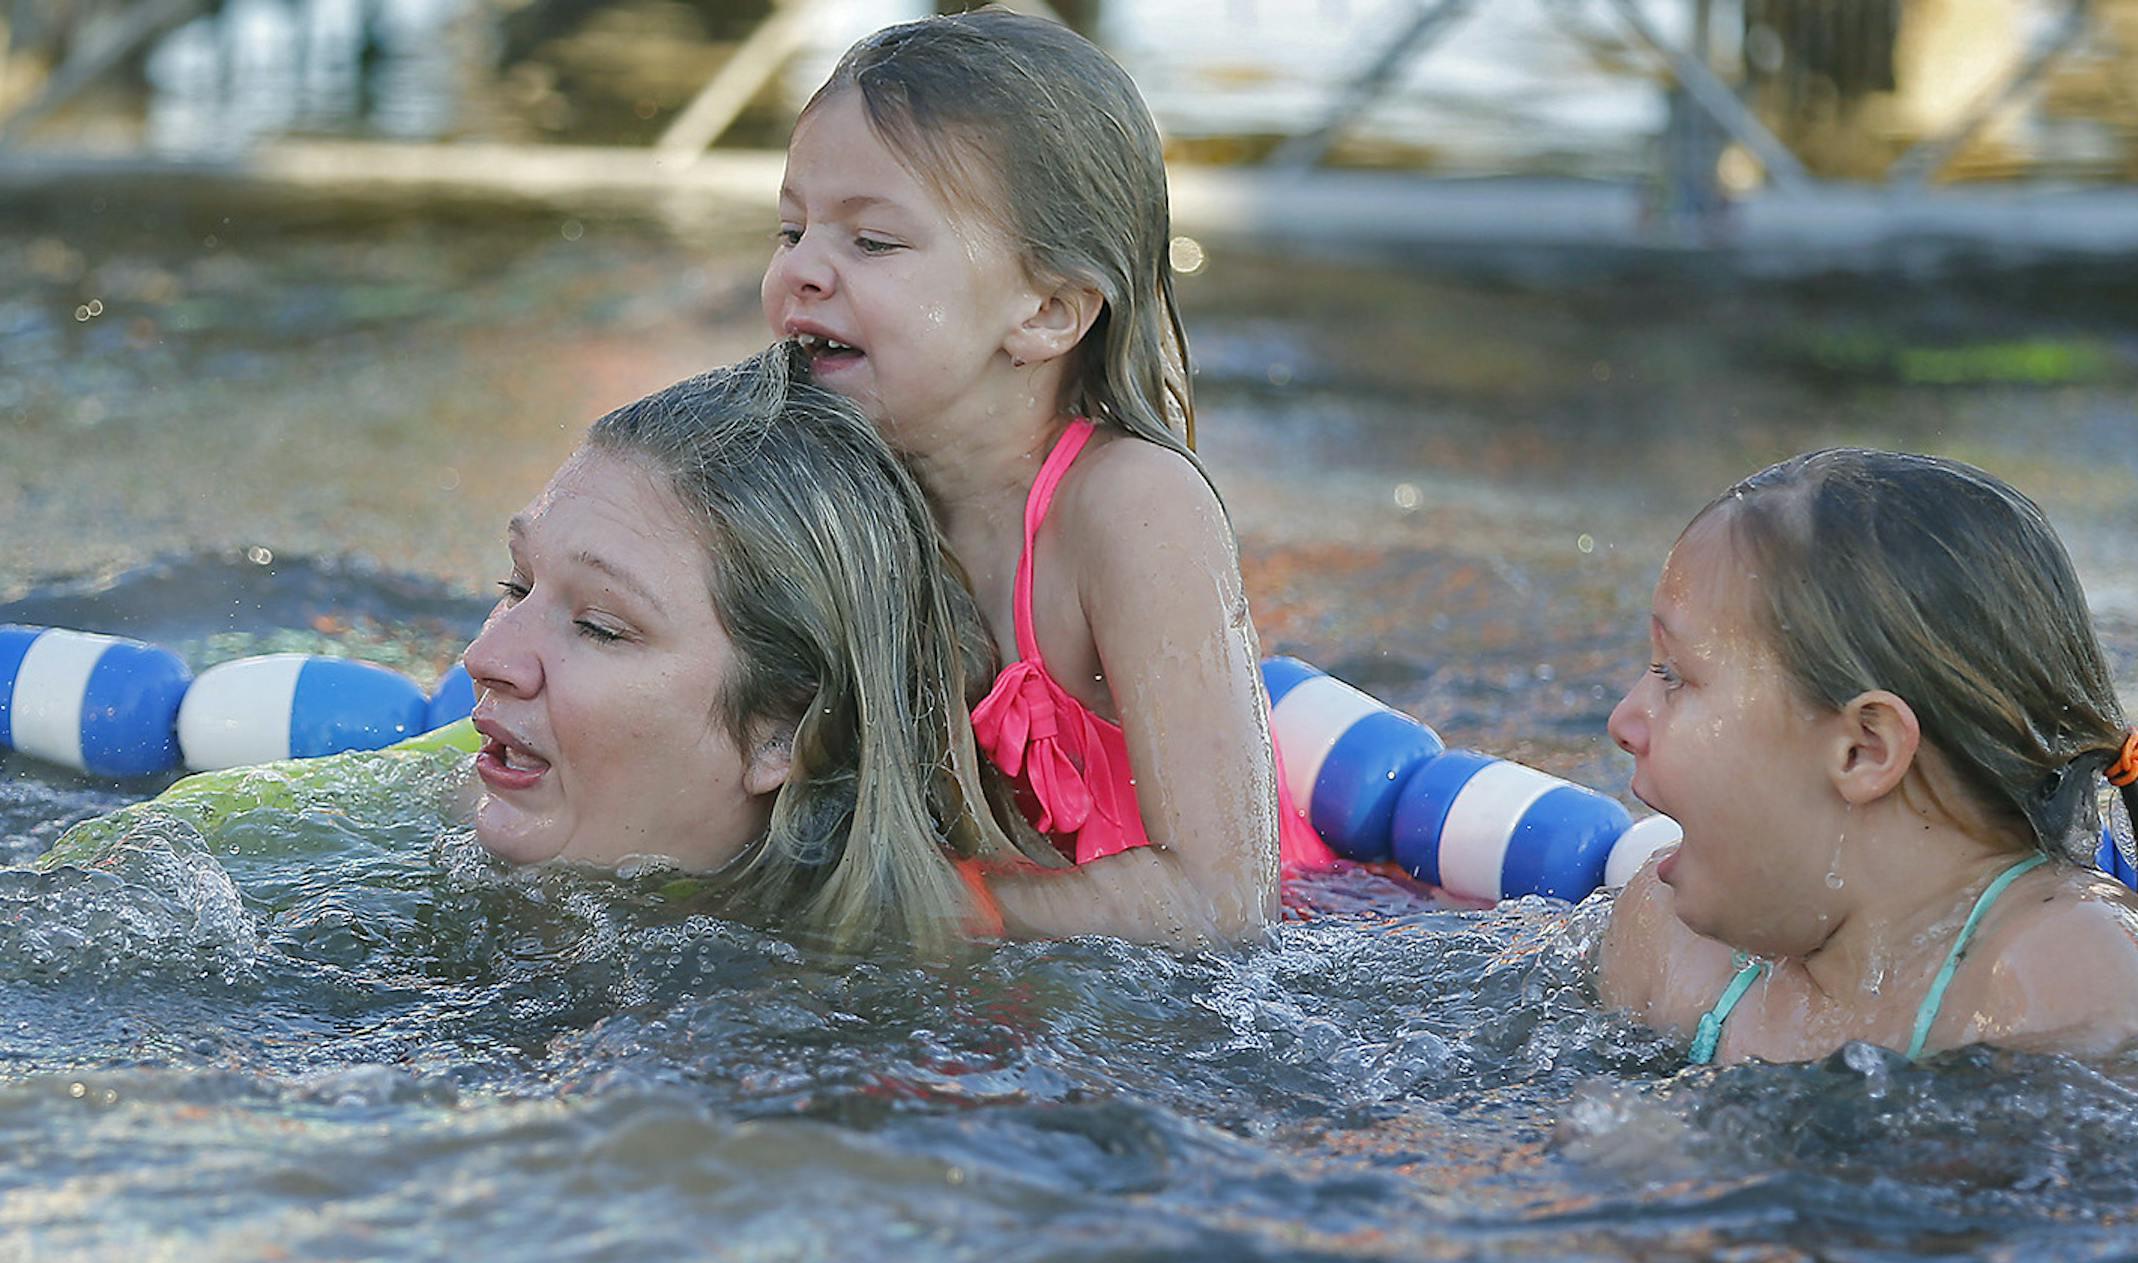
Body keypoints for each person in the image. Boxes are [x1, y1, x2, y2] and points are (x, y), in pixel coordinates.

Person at [50, 346, 1026, 955]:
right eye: (518, 584)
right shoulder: (358, 820)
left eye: (600, 624)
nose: (487, 655)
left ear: (783, 731)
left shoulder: (863, 1030)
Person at [761, 7, 1331, 948]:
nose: (801, 272)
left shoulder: (1129, 509)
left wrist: (927, 917)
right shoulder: (821, 488)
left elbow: (1226, 902)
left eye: (872, 242)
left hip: (1260, 966)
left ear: (1049, 312)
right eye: (790, 231)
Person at [1600, 448, 2138, 1064]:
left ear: (1864, 749)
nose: (1623, 720)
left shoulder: (2059, 977)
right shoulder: (1666, 941)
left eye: (1672, 674)